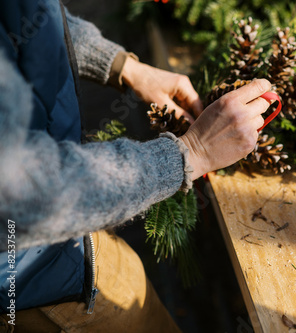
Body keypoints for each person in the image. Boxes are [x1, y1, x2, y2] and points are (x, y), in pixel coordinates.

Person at [0, 1, 272, 332]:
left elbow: (26, 14)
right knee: (136, 309)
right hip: (31, 275)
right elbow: (24, 196)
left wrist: (125, 67)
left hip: (62, 238)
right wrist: (191, 153)